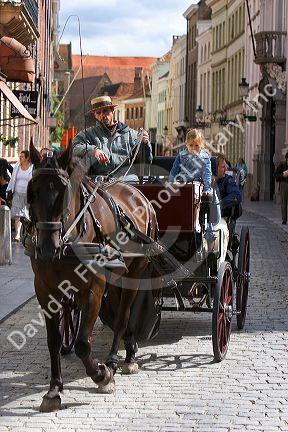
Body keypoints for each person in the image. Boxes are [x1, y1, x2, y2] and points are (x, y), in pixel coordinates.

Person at [72, 95, 152, 179]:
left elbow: (146, 162)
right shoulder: (88, 134)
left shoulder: (131, 135)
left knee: (131, 179)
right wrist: (93, 150)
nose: (102, 115)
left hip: (126, 180)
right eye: (98, 113)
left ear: (112, 110)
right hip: (99, 182)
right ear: (95, 115)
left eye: (105, 111)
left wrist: (145, 144)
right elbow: (74, 147)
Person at [168, 128, 212, 193]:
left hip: (196, 182)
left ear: (201, 145)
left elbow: (207, 174)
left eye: (196, 145)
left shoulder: (205, 157)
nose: (193, 148)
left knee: (193, 191)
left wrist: (207, 189)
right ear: (187, 144)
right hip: (182, 181)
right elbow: (174, 171)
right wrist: (171, 183)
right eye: (191, 145)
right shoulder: (181, 155)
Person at [6, 150, 33, 241]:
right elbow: (13, 178)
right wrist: (9, 189)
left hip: (28, 194)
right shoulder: (17, 165)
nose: (20, 158)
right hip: (17, 192)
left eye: (22, 156)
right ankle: (17, 234)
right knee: (17, 215)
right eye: (20, 156)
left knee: (26, 214)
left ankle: (26, 232)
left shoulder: (32, 167)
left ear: (27, 158)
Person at [275, 151, 288, 224]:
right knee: (284, 202)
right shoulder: (282, 165)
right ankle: (284, 219)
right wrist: (282, 176)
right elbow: (276, 175)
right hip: (284, 184)